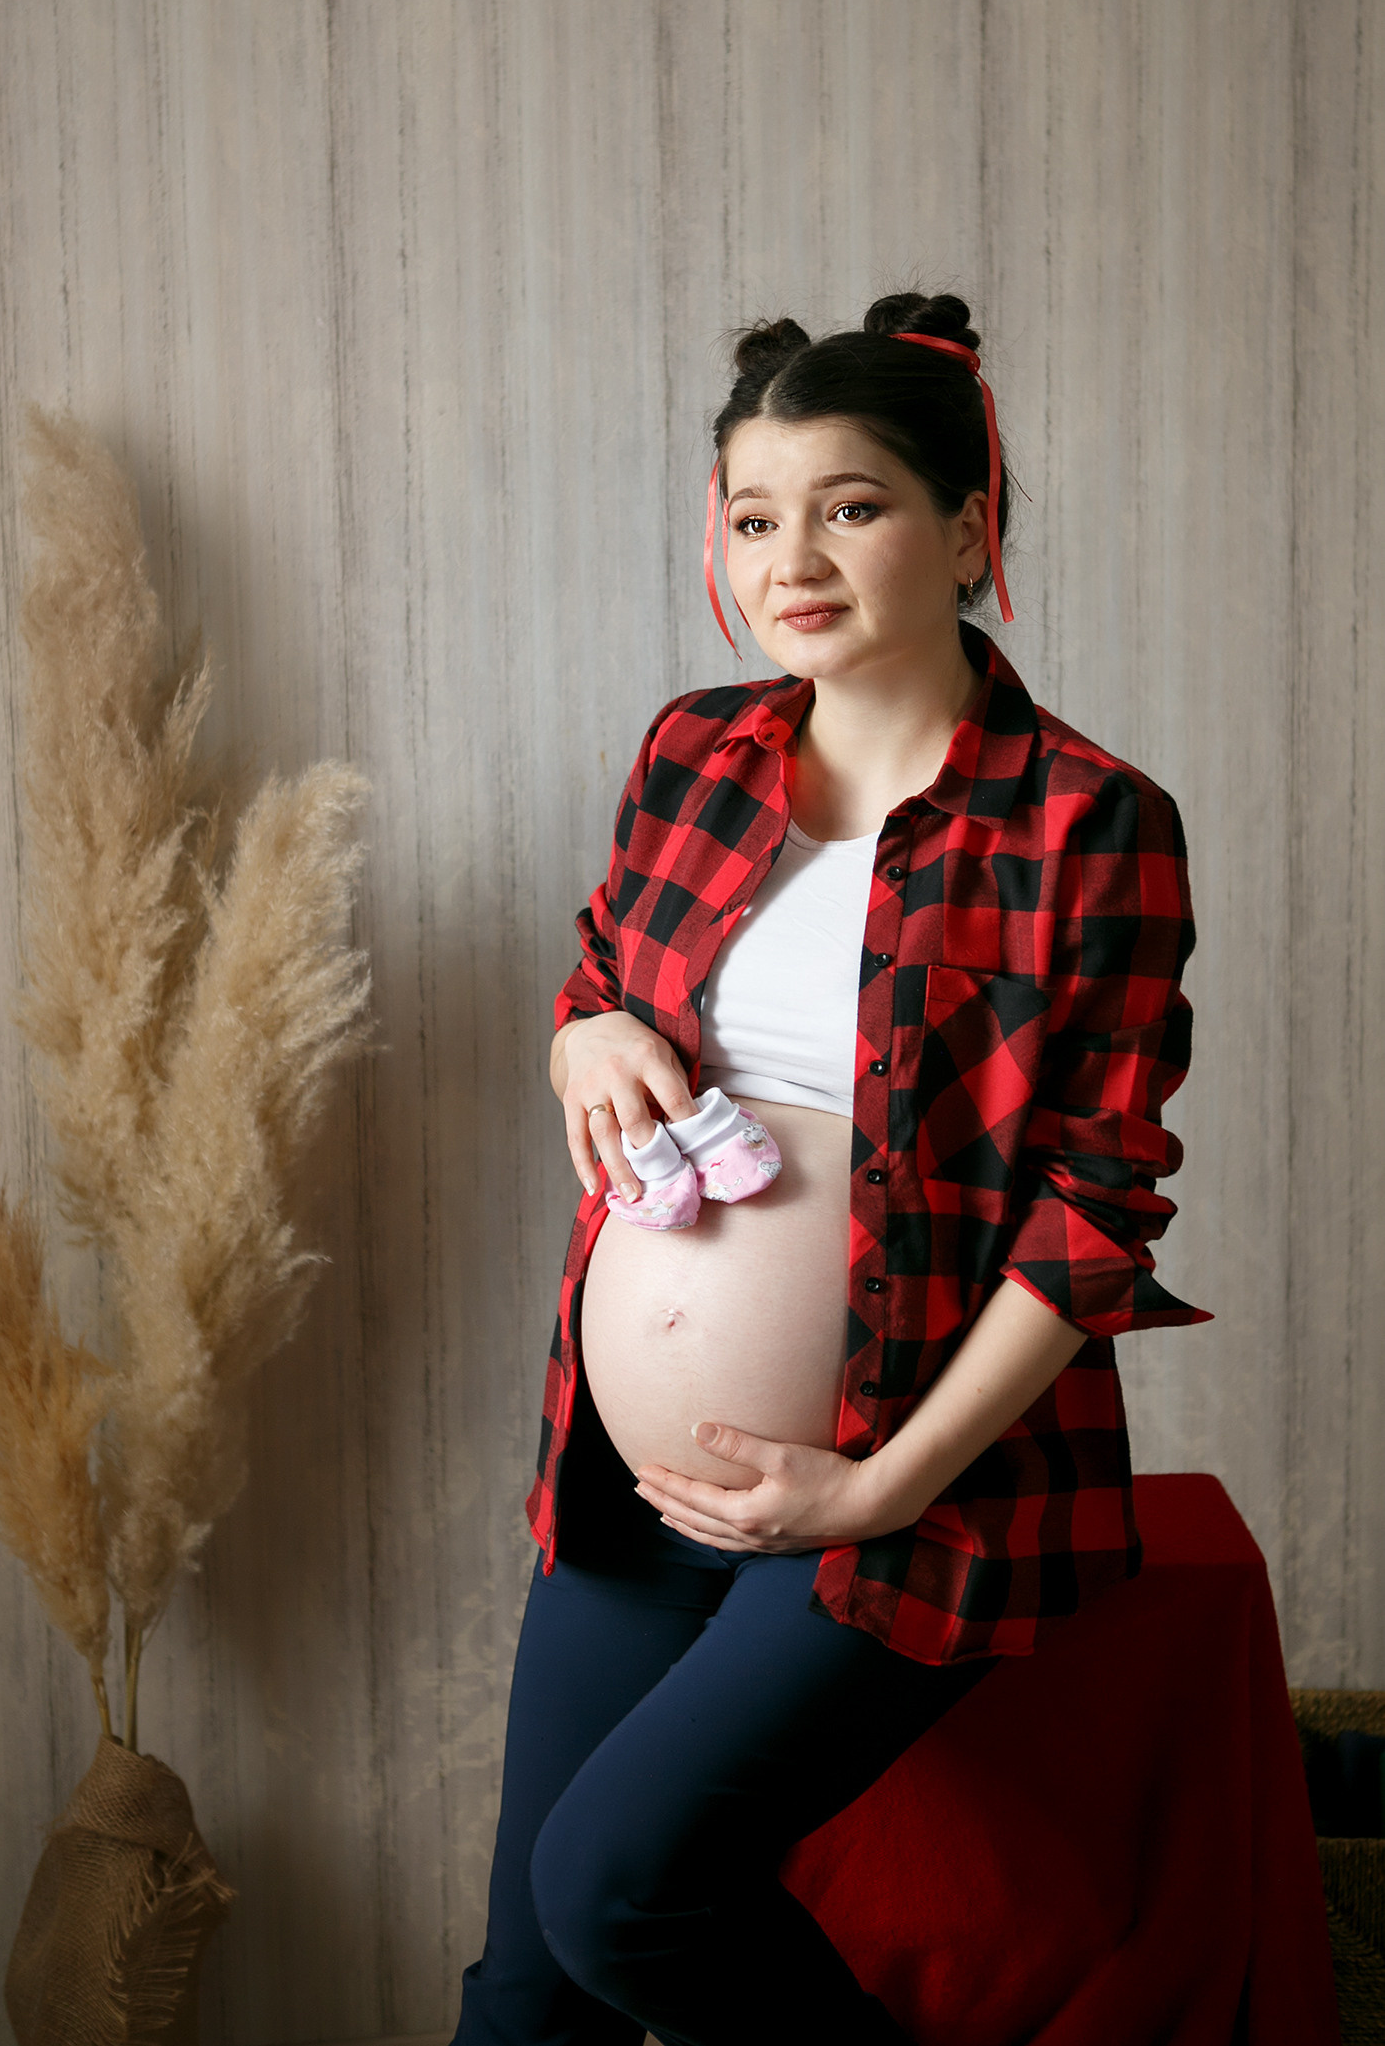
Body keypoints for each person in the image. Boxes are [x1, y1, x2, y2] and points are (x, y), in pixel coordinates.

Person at [451, 291, 1210, 2046]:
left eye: (851, 506)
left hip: (903, 1493)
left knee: (622, 1891)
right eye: (753, 516)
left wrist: (874, 1488)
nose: (791, 558)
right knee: (527, 1995)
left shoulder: (1089, 820)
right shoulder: (692, 754)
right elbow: (601, 982)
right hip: (632, 1486)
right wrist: (581, 1036)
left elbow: (1097, 1209)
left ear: (969, 528)